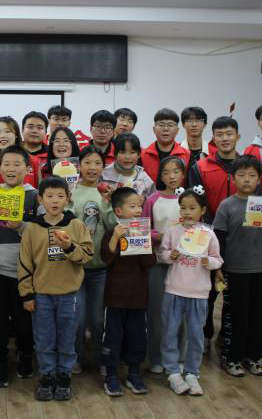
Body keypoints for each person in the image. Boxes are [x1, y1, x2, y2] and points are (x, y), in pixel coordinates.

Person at [18, 177, 94, 402]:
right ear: (40, 199)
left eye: (60, 196)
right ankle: (47, 375)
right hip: (42, 295)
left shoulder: (76, 225)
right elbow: (24, 263)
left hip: (69, 294)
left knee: (67, 337)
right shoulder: (32, 229)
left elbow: (86, 256)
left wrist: (69, 247)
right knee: (44, 338)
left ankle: (64, 375)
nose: (55, 201)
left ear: (68, 199)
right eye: (49, 196)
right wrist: (27, 294)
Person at [213, 155, 262, 377]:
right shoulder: (226, 205)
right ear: (233, 178)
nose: (247, 179)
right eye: (241, 175)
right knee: (236, 315)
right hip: (236, 270)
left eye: (252, 175)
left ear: (259, 179)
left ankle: (255, 357)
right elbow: (219, 240)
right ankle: (232, 357)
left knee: (260, 315)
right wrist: (218, 268)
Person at [0, 146, 39, 387]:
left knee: (26, 324)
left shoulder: (35, 196)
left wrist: (21, 226)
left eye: (17, 164)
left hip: (27, 273)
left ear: (27, 168)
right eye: (6, 164)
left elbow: (43, 231)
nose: (11, 169)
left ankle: (25, 355)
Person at [158, 188, 223, 396]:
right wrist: (170, 256)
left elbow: (218, 260)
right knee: (170, 331)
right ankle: (172, 372)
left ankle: (192, 372)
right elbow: (162, 254)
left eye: (192, 208)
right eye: (183, 208)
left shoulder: (208, 234)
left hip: (199, 293)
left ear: (202, 210)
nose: (187, 212)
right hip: (174, 290)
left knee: (196, 335)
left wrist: (208, 261)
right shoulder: (173, 231)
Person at [187, 116, 243, 348]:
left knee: (235, 292)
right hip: (208, 237)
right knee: (207, 291)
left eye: (229, 134)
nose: (224, 139)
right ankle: (205, 333)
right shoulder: (200, 167)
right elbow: (195, 203)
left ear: (237, 136)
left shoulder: (247, 167)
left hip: (240, 239)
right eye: (219, 135)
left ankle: (228, 337)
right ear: (213, 138)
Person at [99, 187, 156, 396]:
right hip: (115, 297)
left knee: (137, 337)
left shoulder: (143, 231)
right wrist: (115, 237)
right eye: (132, 206)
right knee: (112, 337)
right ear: (118, 211)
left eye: (139, 206)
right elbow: (106, 258)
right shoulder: (111, 232)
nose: (138, 210)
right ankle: (111, 375)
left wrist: (143, 241)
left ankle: (134, 373)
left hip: (138, 297)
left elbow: (150, 263)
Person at [71, 147, 119, 375]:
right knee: (78, 320)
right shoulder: (72, 190)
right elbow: (66, 223)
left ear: (103, 167)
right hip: (75, 268)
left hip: (100, 268)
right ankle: (76, 357)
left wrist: (108, 203)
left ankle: (101, 359)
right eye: (87, 162)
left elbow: (113, 226)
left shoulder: (107, 191)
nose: (92, 167)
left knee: (98, 319)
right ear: (79, 166)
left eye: (97, 163)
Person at [141, 156, 186, 373]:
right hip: (158, 262)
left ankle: (179, 357)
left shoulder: (187, 199)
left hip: (183, 264)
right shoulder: (152, 200)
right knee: (157, 311)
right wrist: (160, 236)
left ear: (183, 174)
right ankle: (156, 358)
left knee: (182, 311)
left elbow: (197, 226)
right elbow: (142, 229)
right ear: (160, 176)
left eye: (176, 171)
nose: (171, 176)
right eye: (166, 172)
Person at [140, 109, 191, 188]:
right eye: (161, 125)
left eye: (170, 125)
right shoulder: (142, 155)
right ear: (154, 129)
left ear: (177, 131)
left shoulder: (188, 155)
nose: (166, 129)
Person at [0, 117, 42, 189]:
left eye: (7, 131)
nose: (2, 136)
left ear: (16, 135)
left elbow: (41, 191)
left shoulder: (33, 161)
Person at [101, 133, 155, 202]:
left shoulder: (145, 180)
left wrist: (144, 200)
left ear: (139, 154)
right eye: (122, 152)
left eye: (132, 152)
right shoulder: (102, 174)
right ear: (115, 154)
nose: (127, 157)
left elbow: (153, 203)